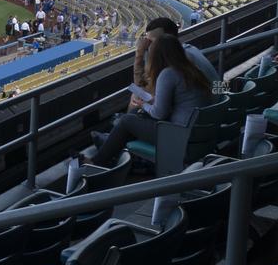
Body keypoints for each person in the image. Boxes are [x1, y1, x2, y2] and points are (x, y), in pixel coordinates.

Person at [91, 34, 215, 166]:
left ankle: (96, 162)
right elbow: (181, 100)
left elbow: (159, 114)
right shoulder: (191, 68)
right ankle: (109, 144)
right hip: (199, 134)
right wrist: (152, 101)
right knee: (134, 115)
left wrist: (143, 104)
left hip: (181, 137)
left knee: (127, 120)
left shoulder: (168, 74)